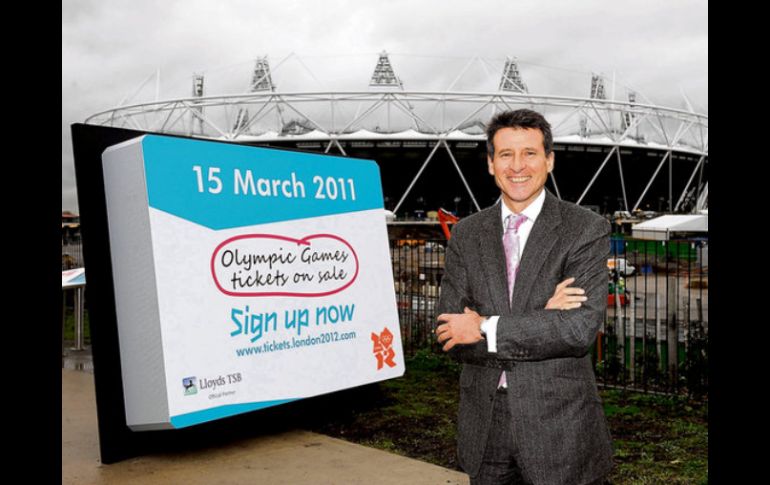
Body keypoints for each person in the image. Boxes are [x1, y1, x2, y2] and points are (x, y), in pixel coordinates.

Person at [435, 109, 614, 484]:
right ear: (490, 164)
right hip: (485, 426)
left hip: (560, 426)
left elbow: (577, 331)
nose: (518, 166)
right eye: (506, 154)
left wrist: (483, 326)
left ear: (549, 160)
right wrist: (543, 316)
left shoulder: (585, 229)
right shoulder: (466, 235)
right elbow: (449, 333)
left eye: (530, 153)